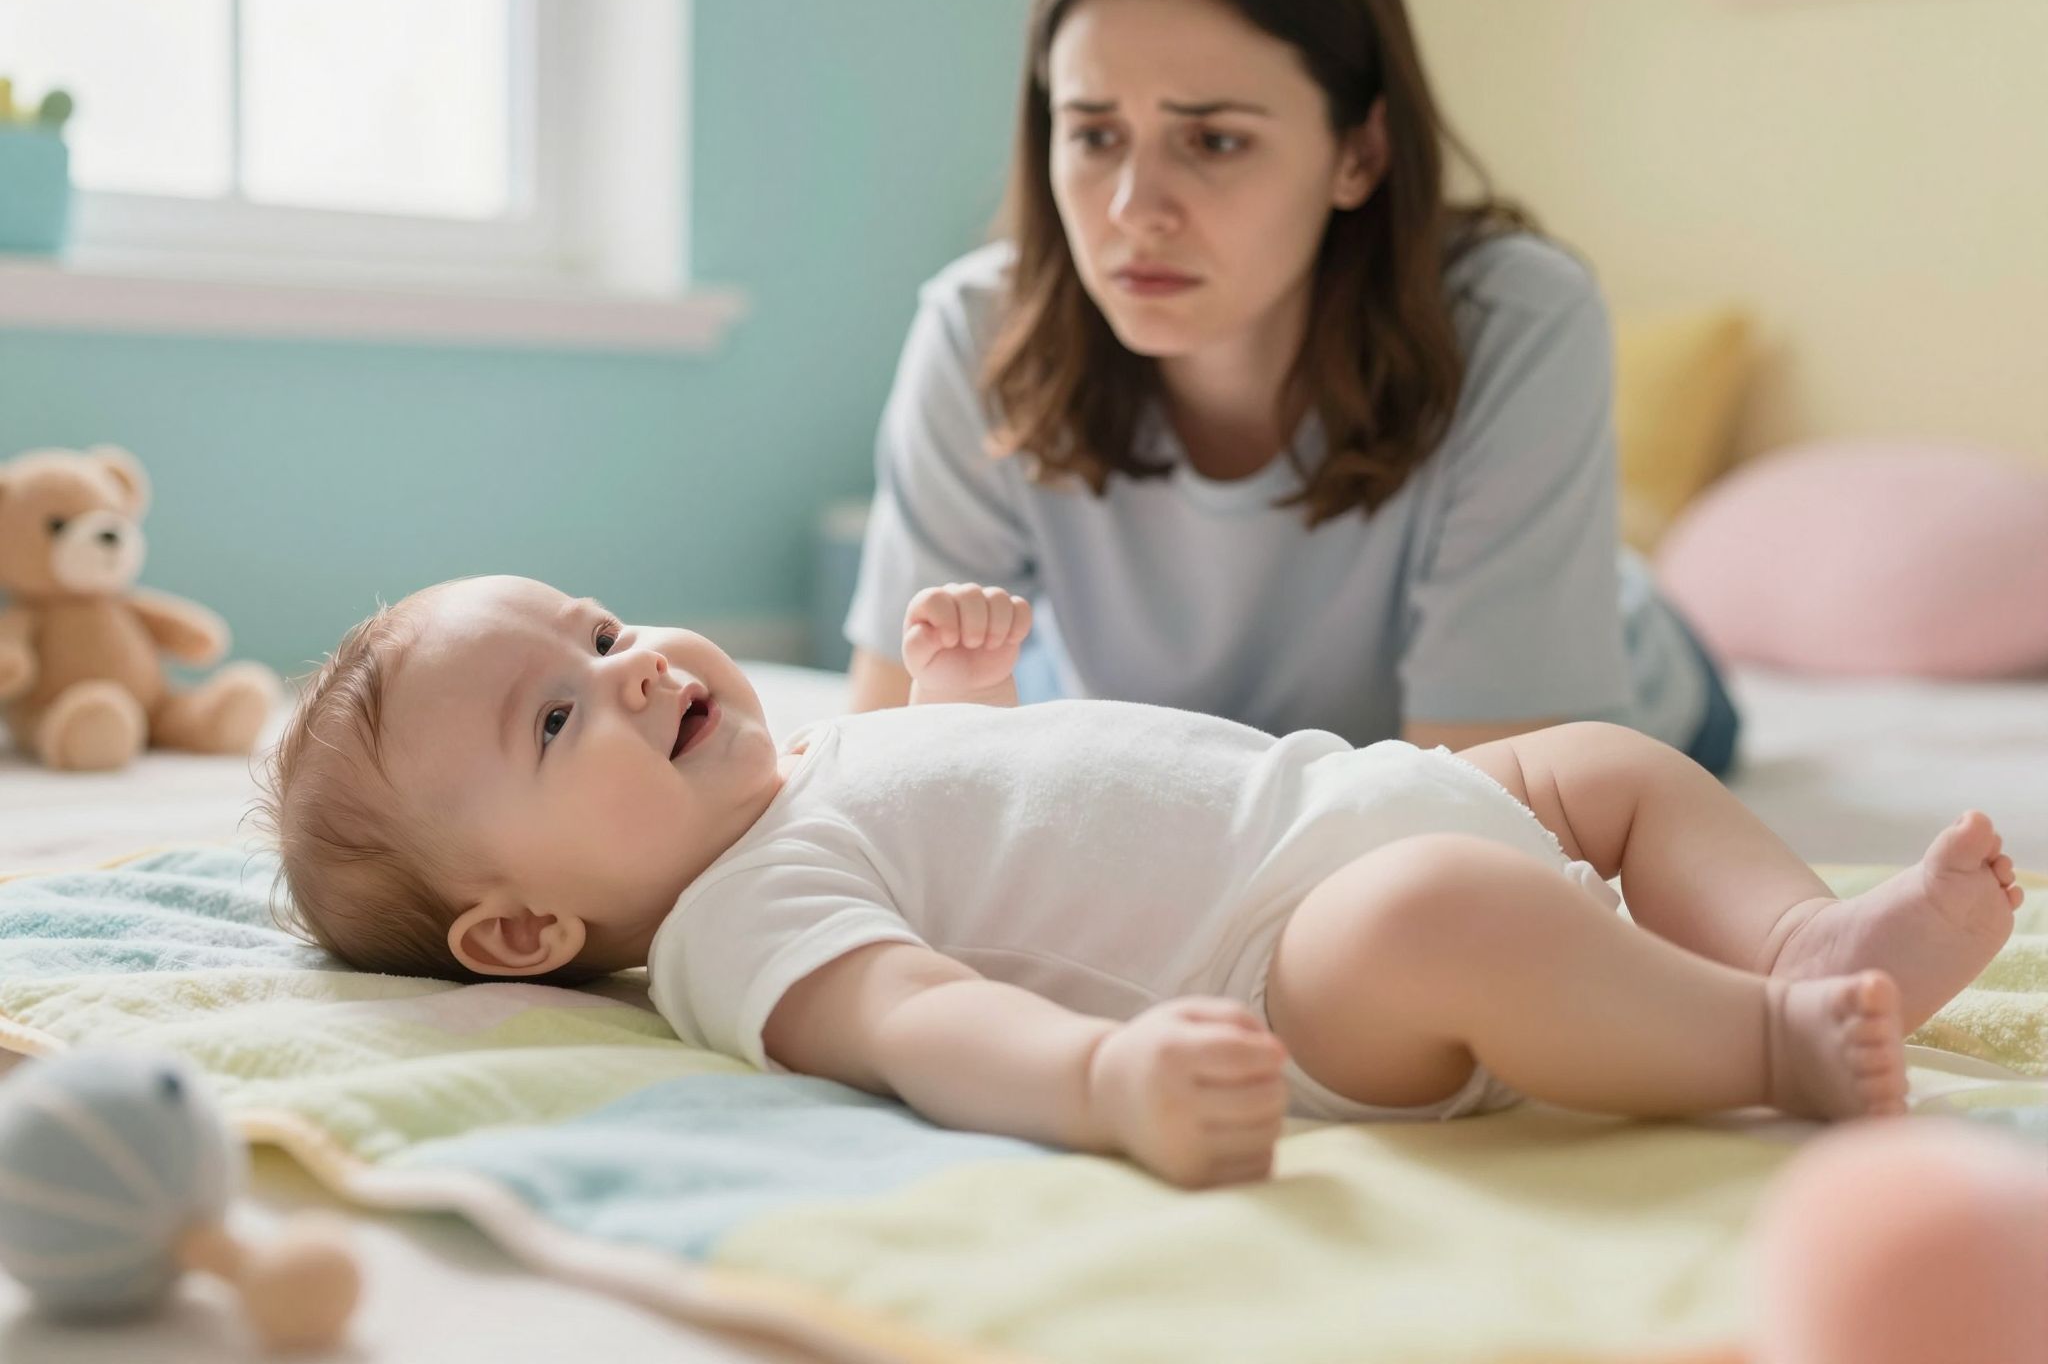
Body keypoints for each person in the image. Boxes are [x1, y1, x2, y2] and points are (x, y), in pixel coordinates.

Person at [261, 577, 2021, 1190]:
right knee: (1440, 922)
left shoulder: (805, 764)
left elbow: (991, 817)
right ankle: (1766, 1039)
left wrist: (951, 704)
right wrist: (1106, 1081)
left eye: (597, 622)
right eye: (561, 711)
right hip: (1312, 964)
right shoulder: (741, 931)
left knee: (1603, 762)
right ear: (520, 934)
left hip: (1366, 793)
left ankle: (1800, 924)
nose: (634, 661)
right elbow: (927, 1008)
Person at [845, 0, 1739, 771]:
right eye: (1096, 134)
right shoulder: (980, 327)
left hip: (1621, 669)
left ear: (1360, 152)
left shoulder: (1518, 318)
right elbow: (879, 749)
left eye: (1216, 139)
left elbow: (1495, 808)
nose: (1131, 211)